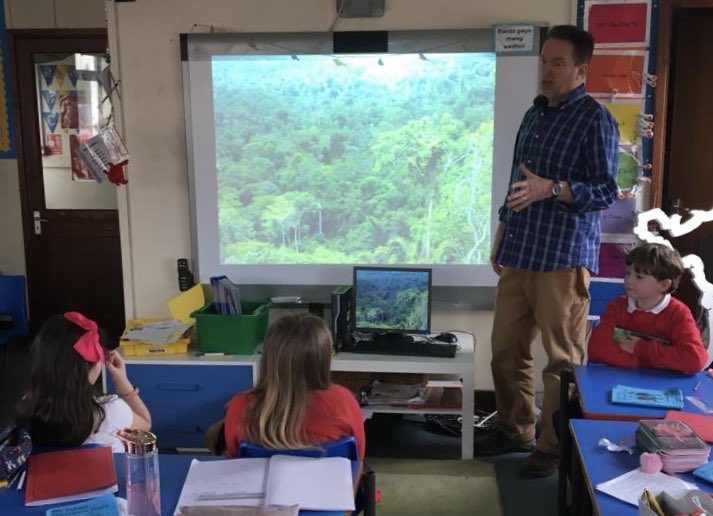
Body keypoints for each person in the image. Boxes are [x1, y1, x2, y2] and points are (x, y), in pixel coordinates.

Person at [478, 25, 619, 478]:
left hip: (562, 259)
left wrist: (553, 188)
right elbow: (517, 182)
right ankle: (513, 427)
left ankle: (553, 445)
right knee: (505, 350)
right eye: (544, 61)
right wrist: (502, 231)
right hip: (520, 252)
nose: (547, 71)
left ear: (581, 69)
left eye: (558, 63)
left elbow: (605, 191)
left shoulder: (595, 119)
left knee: (561, 361)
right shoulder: (533, 114)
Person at [224, 314, 365, 459]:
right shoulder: (344, 401)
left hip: (261, 482)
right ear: (323, 359)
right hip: (326, 481)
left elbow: (235, 460)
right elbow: (357, 458)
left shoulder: (239, 406)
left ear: (268, 358)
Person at [15, 312, 151, 452]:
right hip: (101, 474)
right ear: (91, 367)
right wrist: (122, 380)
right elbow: (145, 423)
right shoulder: (110, 412)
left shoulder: (27, 406)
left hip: (47, 472)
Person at [588, 243, 708, 373]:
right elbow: (596, 348)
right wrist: (639, 363)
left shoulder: (678, 313)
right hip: (620, 378)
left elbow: (695, 360)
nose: (628, 280)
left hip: (662, 385)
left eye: (639, 277)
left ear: (663, 285)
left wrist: (639, 348)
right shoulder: (617, 306)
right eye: (628, 273)